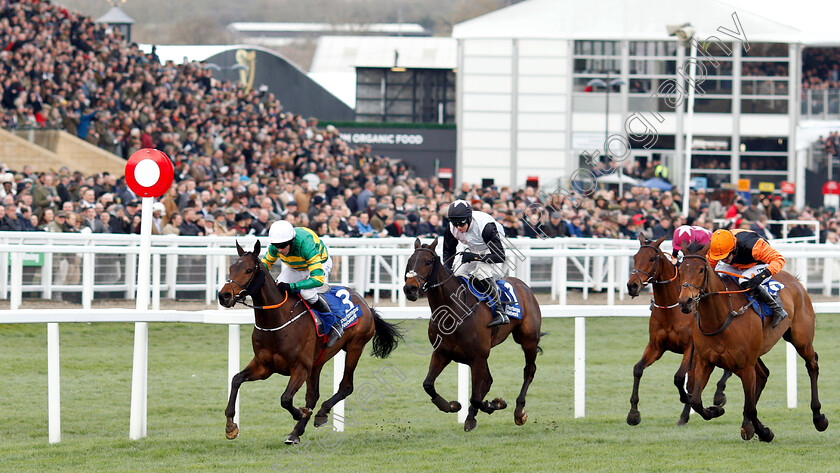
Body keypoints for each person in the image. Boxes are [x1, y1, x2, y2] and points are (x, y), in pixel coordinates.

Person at [262, 220, 343, 347]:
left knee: (307, 293)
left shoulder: (306, 244)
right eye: (277, 246)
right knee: (277, 288)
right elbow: (264, 267)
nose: (280, 250)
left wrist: (293, 286)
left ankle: (334, 324)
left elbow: (317, 279)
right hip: (297, 267)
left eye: (283, 246)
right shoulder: (275, 246)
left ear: (292, 241)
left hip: (320, 263)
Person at [442, 200, 509, 327]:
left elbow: (500, 256)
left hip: (493, 249)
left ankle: (500, 312)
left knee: (480, 273)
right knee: (457, 273)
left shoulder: (486, 226)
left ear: (469, 218)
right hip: (474, 248)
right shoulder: (452, 228)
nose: (458, 228)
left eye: (461, 223)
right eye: (455, 224)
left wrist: (474, 257)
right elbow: (448, 252)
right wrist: (446, 271)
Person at [707, 229, 788, 327]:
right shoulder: (717, 247)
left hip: (758, 264)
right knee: (717, 277)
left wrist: (761, 276)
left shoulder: (755, 246)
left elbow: (779, 259)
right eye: (720, 258)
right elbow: (709, 266)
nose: (723, 260)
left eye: (725, 256)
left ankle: (777, 309)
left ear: (734, 249)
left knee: (744, 280)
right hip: (737, 265)